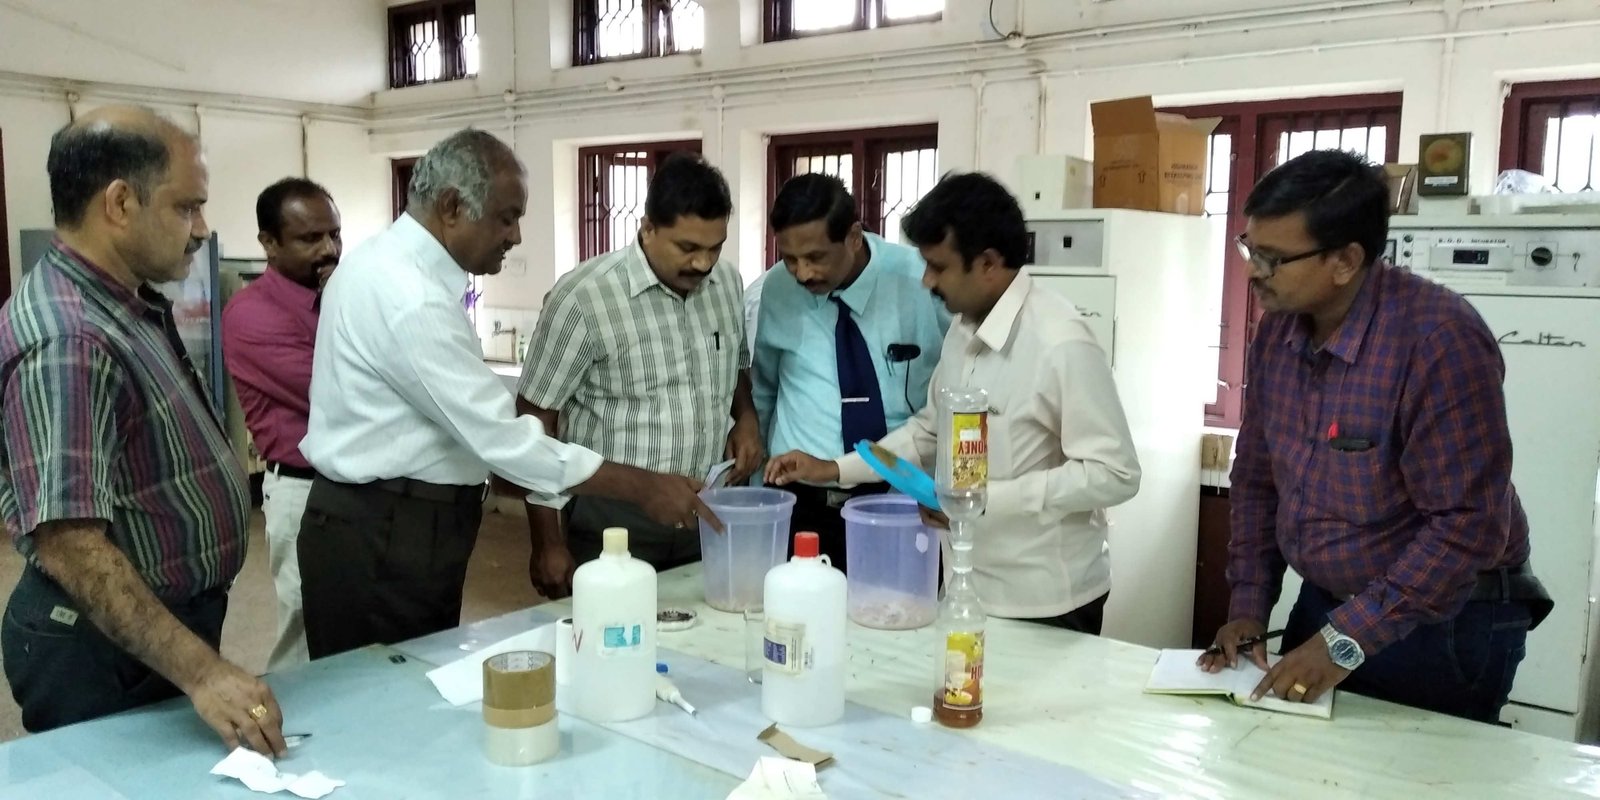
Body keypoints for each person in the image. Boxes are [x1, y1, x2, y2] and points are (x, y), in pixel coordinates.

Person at [297, 130, 719, 659]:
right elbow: (505, 441)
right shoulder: (408, 296)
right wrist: (642, 486)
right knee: (384, 688)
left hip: (401, 524)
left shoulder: (385, 265)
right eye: (506, 218)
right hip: (385, 533)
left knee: (408, 678)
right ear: (452, 207)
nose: (516, 236)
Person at [1199, 149, 1552, 723]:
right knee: (1286, 760)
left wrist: (1345, 641)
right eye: (1250, 249)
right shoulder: (1277, 334)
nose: (1253, 271)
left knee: (1416, 769)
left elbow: (1468, 526)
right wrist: (1248, 604)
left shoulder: (1438, 341)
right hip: (1329, 607)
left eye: (1273, 258)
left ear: (1345, 260)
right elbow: (1258, 478)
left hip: (1445, 623)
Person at [0, 106, 286, 755]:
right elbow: (72, 546)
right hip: (100, 647)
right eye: (187, 207)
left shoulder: (119, 302)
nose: (201, 229)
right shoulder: (70, 339)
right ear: (121, 203)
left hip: (145, 631)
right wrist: (204, 673)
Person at [766, 172, 1140, 633]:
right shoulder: (964, 330)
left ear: (987, 263)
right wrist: (834, 469)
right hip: (965, 582)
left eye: (938, 267)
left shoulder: (1059, 342)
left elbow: (1115, 473)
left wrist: (981, 502)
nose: (926, 281)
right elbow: (928, 431)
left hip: (1046, 598)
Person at [518, 153, 758, 596]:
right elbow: (535, 422)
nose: (703, 263)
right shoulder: (584, 298)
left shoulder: (726, 284)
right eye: (688, 248)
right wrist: (547, 542)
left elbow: (735, 362)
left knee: (702, 633)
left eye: (715, 247)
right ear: (647, 228)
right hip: (612, 521)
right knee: (614, 632)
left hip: (704, 514)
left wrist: (746, 417)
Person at [752, 173, 949, 572]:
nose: (802, 273)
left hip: (901, 501)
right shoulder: (777, 288)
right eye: (790, 258)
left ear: (854, 236)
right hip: (805, 500)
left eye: (816, 257)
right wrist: (761, 494)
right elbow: (764, 391)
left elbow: (959, 381)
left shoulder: (921, 280)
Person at [221, 178, 342, 673]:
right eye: (310, 238)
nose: (329, 249)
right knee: (307, 631)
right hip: (303, 490)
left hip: (361, 487)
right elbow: (338, 395)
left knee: (358, 626)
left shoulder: (341, 296)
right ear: (268, 243)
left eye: (335, 234)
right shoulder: (251, 315)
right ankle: (294, 716)